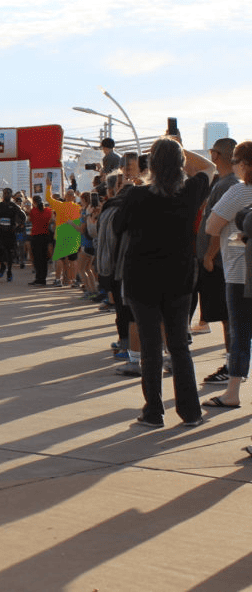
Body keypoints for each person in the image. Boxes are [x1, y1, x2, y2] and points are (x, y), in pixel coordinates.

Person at [114, 136, 214, 428]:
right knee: (179, 346)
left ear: (151, 165)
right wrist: (179, 149)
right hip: (178, 279)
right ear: (182, 164)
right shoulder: (190, 193)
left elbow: (119, 227)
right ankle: (190, 412)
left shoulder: (136, 195)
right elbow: (207, 167)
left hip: (142, 280)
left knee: (150, 345)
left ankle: (154, 411)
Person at [201, 140, 252, 407]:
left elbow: (211, 225)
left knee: (239, 334)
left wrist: (232, 237)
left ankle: (232, 392)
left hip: (240, 273)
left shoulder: (238, 192)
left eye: (236, 162)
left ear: (244, 164)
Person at [195, 137, 238, 383]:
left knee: (227, 316)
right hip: (222, 260)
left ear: (215, 155)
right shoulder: (226, 183)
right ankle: (233, 364)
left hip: (221, 262)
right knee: (227, 315)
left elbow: (216, 225)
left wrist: (209, 256)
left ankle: (233, 367)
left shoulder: (227, 185)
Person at [0, 187, 25, 282]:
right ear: (3, 195)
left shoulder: (14, 206)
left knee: (10, 253)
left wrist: (19, 227)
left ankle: (9, 272)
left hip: (10, 233)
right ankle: (2, 266)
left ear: (11, 195)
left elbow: (23, 216)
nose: (7, 195)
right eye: (5, 193)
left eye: (8, 193)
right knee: (0, 252)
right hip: (0, 233)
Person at [27, 195, 53, 286]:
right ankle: (43, 278)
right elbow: (51, 221)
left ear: (34, 202)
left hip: (35, 236)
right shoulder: (48, 211)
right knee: (44, 259)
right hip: (45, 236)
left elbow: (29, 220)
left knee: (37, 259)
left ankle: (38, 278)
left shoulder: (33, 211)